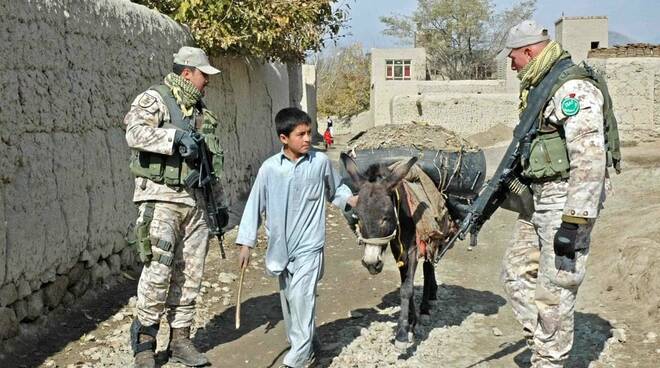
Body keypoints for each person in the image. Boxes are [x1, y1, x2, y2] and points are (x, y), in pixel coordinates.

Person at [498, 20, 620, 368]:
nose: (512, 65)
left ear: (530, 51)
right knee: (516, 272)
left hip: (566, 199)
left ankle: (549, 360)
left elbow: (591, 159)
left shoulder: (572, 89)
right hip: (539, 197)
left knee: (555, 290)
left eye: (514, 57)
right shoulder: (540, 87)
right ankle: (544, 343)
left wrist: (574, 221)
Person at [124, 46, 223, 368]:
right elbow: (134, 133)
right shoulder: (155, 99)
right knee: (158, 271)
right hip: (162, 198)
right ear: (186, 73)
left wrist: (218, 205)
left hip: (196, 202)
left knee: (190, 275)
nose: (206, 82)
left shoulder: (200, 111)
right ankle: (144, 344)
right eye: (202, 76)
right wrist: (174, 139)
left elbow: (209, 164)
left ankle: (180, 339)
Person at [235, 107, 358, 368]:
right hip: (280, 247)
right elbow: (255, 205)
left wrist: (352, 200)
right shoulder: (270, 169)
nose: (307, 139)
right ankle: (307, 345)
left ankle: (296, 360)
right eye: (300, 134)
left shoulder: (320, 163)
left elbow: (335, 191)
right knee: (291, 301)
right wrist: (246, 242)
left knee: (302, 297)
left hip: (310, 245)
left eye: (309, 133)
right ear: (283, 138)